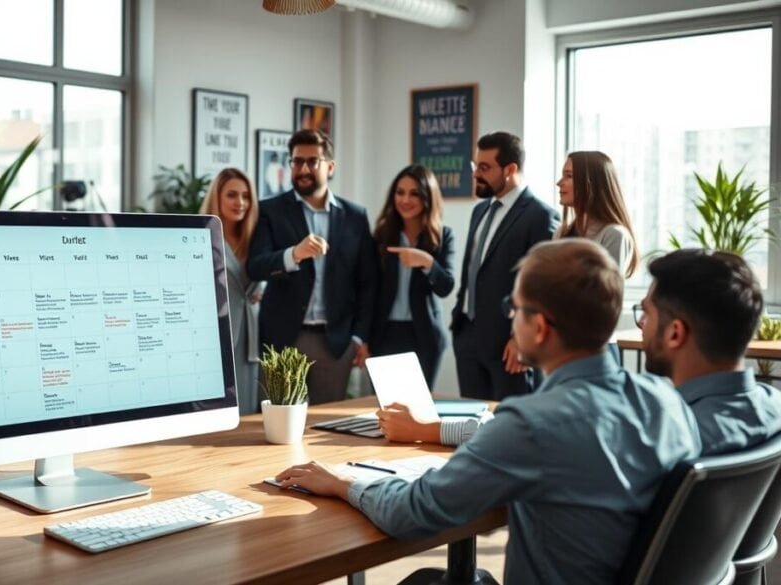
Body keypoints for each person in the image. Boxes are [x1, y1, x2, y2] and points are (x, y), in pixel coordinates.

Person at [275, 239, 701, 585]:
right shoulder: (668, 403)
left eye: (513, 308)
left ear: (539, 327)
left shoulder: (532, 424)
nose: (510, 319)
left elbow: (412, 513)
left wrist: (345, 482)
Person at [247, 129, 378, 404]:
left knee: (325, 425)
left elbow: (368, 281)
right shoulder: (270, 210)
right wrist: (293, 254)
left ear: (330, 167)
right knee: (276, 427)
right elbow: (255, 266)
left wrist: (359, 336)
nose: (303, 168)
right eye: (297, 161)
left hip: (335, 342)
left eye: (312, 161)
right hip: (283, 338)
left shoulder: (355, 216)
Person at [638, 249, 781, 455]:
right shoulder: (775, 406)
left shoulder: (668, 441)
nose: (642, 323)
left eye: (646, 313)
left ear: (675, 333)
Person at [451, 132, 559, 400]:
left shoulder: (540, 216)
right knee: (470, 426)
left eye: (485, 168)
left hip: (510, 345)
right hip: (468, 336)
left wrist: (520, 339)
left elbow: (541, 285)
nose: (476, 175)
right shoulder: (480, 211)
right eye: (476, 166)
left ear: (510, 169)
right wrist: (459, 325)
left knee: (513, 430)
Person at [369, 165, 455, 388]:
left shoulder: (443, 235)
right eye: (400, 192)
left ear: (428, 197)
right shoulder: (381, 235)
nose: (405, 199)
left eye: (414, 193)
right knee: (386, 409)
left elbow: (446, 287)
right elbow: (368, 289)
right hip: (384, 333)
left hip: (424, 335)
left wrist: (426, 262)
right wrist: (362, 338)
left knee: (418, 412)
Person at [199, 168, 264, 414]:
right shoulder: (203, 234)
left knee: (249, 406)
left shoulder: (256, 238)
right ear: (217, 196)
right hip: (216, 329)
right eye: (232, 195)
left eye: (246, 196)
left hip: (251, 332)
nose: (241, 203)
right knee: (217, 406)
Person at [555, 151, 638, 277]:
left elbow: (609, 293)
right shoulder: (561, 232)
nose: (559, 183)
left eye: (569, 176)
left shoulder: (614, 235)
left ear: (592, 183)